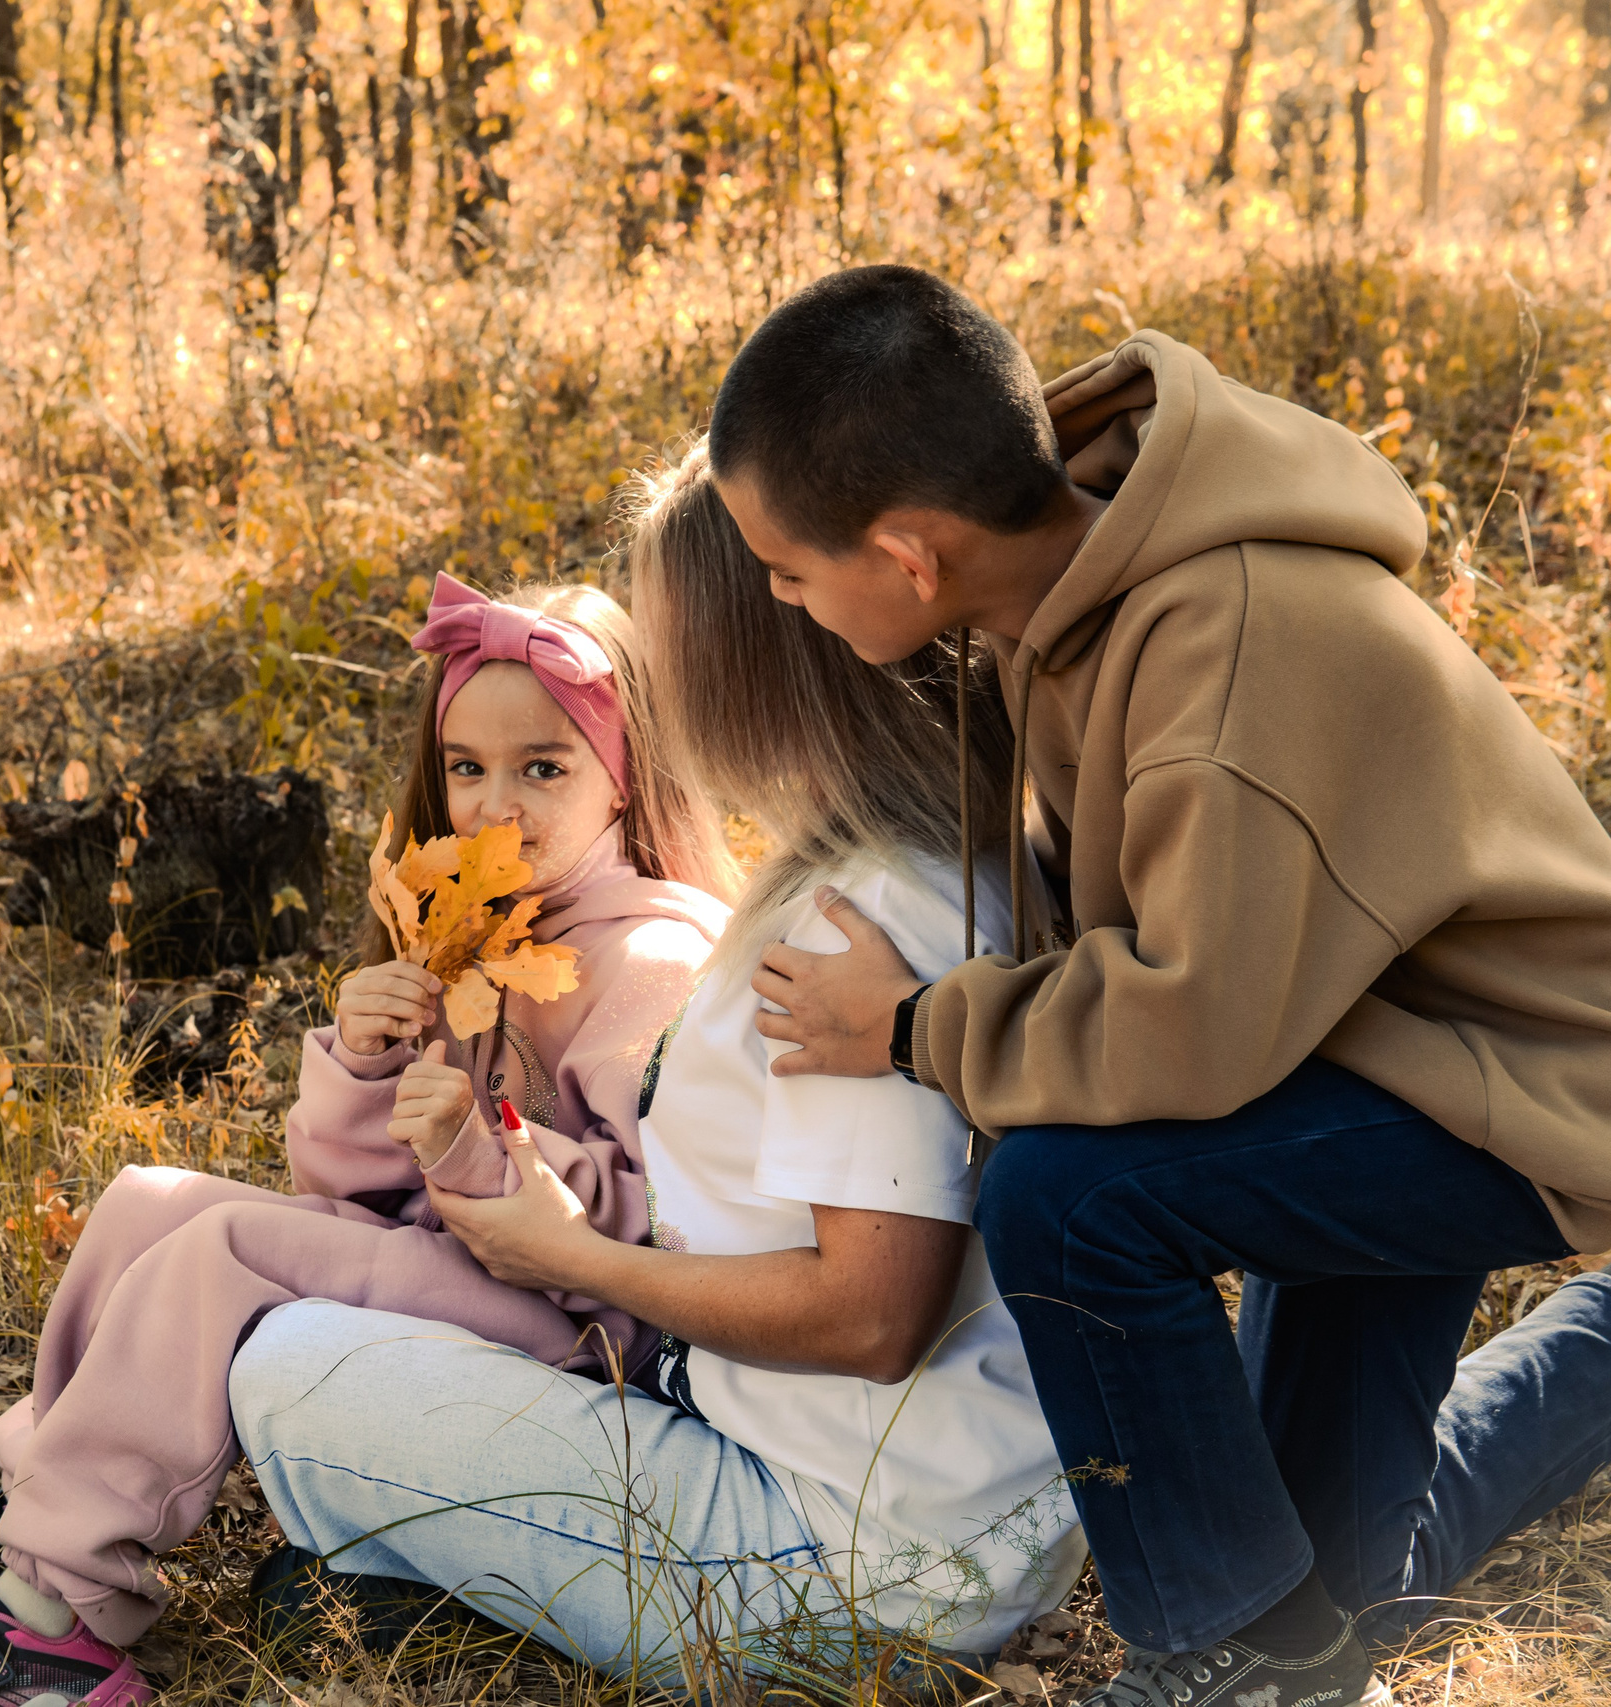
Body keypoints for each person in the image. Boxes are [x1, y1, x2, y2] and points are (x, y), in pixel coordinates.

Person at [709, 265, 1611, 1707]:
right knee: (1334, 1576)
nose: (782, 595)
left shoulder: (1221, 651)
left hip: (1513, 1083)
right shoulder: (1069, 573)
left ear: (910, 554)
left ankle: (1218, 1658)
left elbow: (1191, 1027)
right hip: (1349, 1043)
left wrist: (913, 1029)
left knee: (1067, 1197)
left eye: (787, 565)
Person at [224, 447, 1083, 1701]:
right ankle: (427, 1567)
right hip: (867, 1481)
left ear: (754, 649)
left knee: (288, 1368)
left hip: (850, 1564)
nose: (646, 682)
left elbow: (874, 1316)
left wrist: (571, 1257)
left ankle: (422, 1571)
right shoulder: (901, 850)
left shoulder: (858, 927)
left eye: (667, 644)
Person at [0, 574, 737, 1707]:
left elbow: (648, 1222)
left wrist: (479, 1147)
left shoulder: (648, 959)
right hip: (471, 1261)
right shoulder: (474, 924)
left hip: (586, 1333)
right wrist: (368, 1063)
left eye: (546, 767)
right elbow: (352, 1192)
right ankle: (34, 1505)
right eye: (468, 769)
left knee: (229, 1251)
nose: (497, 808)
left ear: (625, 774)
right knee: (152, 1202)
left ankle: (54, 1618)